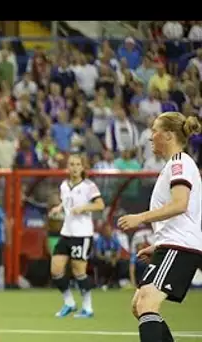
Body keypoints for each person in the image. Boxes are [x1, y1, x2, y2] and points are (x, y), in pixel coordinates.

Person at [118, 112, 202, 342]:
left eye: (154, 131)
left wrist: (141, 218)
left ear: (167, 135)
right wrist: (157, 245)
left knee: (146, 302)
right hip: (173, 244)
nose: (150, 137)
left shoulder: (179, 164)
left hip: (180, 245)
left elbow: (180, 204)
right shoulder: (174, 166)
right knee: (139, 305)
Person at [48, 154, 105, 318]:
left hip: (82, 234)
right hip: (66, 232)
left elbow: (100, 204)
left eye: (77, 164)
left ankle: (88, 307)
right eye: (71, 164)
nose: (74, 167)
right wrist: (59, 208)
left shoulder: (89, 186)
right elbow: (68, 202)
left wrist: (84, 208)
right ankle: (69, 302)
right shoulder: (64, 185)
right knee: (56, 270)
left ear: (82, 167)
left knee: (79, 271)